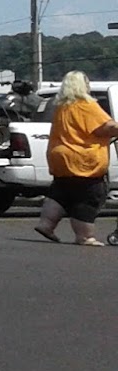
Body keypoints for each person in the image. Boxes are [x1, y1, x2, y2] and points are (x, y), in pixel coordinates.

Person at [32, 71, 118, 245]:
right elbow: (105, 127)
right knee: (87, 197)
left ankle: (46, 224)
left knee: (60, 193)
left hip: (60, 158)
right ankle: (85, 236)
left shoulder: (62, 107)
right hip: (82, 160)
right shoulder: (87, 105)